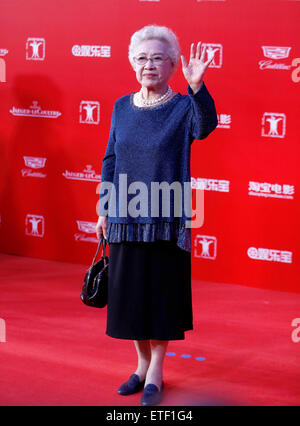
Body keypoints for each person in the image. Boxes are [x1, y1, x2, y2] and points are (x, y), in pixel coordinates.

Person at [95, 24, 218, 406]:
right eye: (142, 58)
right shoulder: (120, 106)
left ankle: (156, 372)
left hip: (166, 215)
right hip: (124, 215)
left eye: (157, 58)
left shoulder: (183, 107)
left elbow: (206, 126)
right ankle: (139, 366)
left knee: (161, 296)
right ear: (133, 63)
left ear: (172, 65)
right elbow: (111, 159)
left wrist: (197, 86)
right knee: (131, 295)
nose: (149, 65)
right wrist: (103, 206)